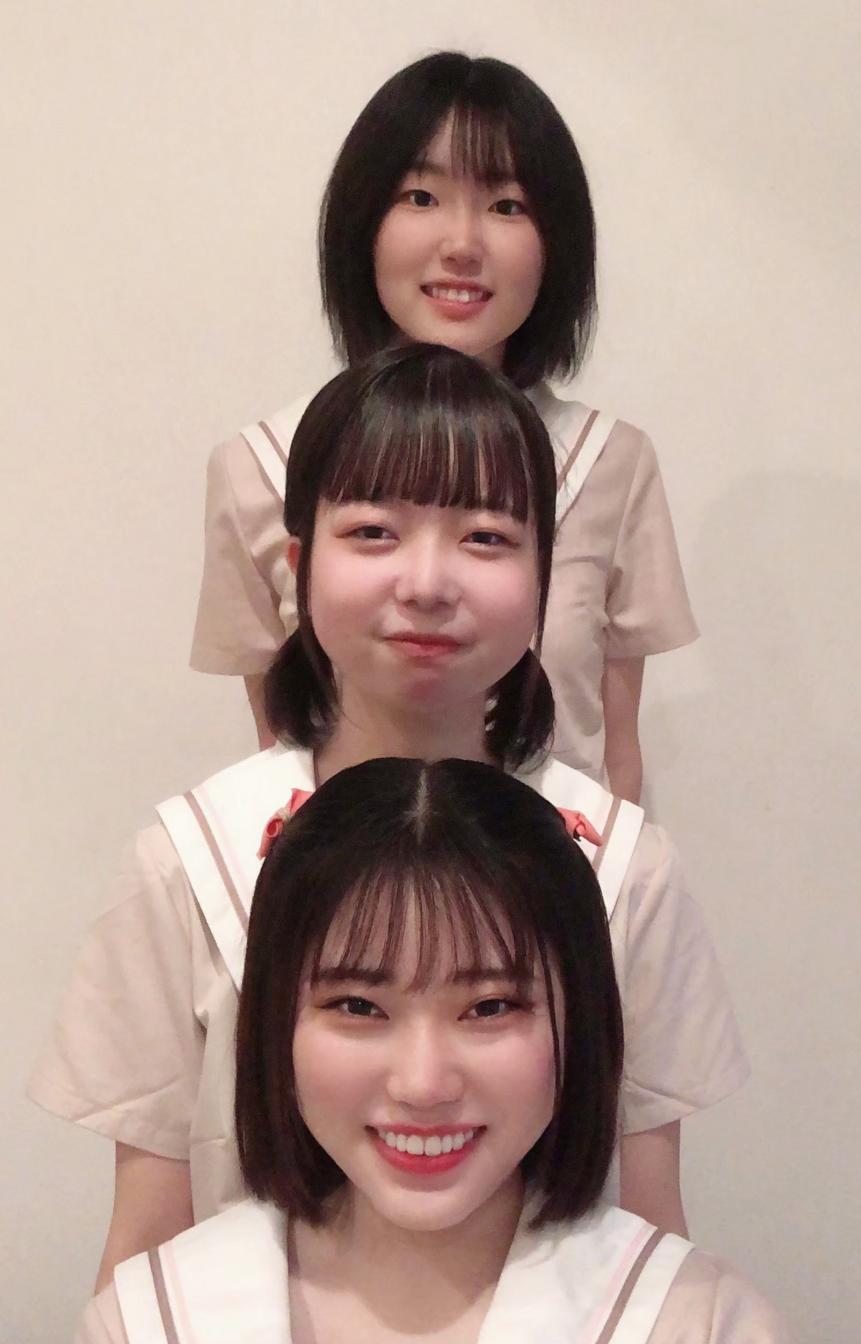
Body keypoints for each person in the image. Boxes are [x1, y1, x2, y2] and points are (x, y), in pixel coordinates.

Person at [30, 346, 745, 1287]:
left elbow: (650, 1222)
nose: (427, 583)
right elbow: (144, 1242)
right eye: (373, 532)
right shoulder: (189, 862)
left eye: (485, 536)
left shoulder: (623, 866)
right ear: (298, 566)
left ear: (544, 577)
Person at [75, 759, 786, 1343]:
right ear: (273, 1024)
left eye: (490, 1007)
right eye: (358, 1007)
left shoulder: (701, 1324)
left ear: (582, 1020)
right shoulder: (147, 1322)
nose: (422, 1083)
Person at [190, 50, 698, 801]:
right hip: (349, 870)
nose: (462, 244)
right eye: (421, 196)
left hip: (553, 868)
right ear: (363, 223)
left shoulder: (609, 463)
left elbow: (615, 754)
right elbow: (280, 762)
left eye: (507, 205)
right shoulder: (262, 467)